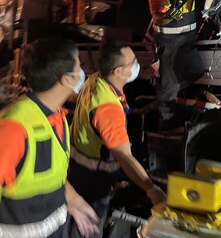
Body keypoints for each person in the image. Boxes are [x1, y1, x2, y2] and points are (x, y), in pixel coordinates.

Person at [0, 37, 100, 238]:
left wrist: (74, 200)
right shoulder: (14, 127)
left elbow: (50, 176)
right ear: (66, 79)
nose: (83, 73)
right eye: (79, 66)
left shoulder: (56, 117)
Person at [65, 39, 166, 237]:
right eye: (133, 63)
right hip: (92, 181)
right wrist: (151, 188)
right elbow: (124, 156)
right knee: (87, 229)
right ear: (118, 71)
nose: (137, 65)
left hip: (78, 171)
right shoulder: (107, 108)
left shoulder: (96, 81)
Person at [147, 0, 217, 128]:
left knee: (197, 70)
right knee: (170, 87)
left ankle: (168, 90)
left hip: (187, 41)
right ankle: (167, 120)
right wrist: (170, 15)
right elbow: (158, 17)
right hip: (170, 45)